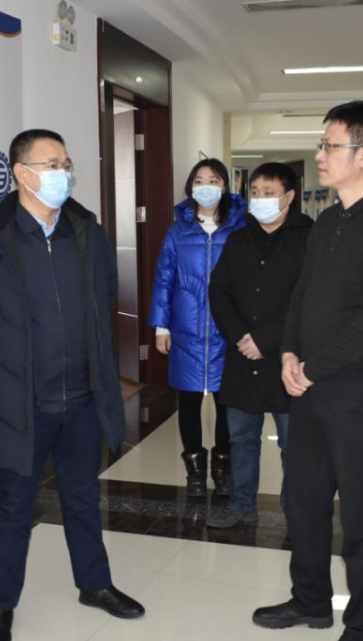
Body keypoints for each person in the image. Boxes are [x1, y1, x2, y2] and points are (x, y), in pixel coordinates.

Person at [0, 129, 145, 641]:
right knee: (14, 505)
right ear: (21, 173)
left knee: (83, 497)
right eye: (51, 163)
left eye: (66, 163)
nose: (63, 173)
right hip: (22, 403)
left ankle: (95, 584)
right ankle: (1, 605)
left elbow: (104, 295)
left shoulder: (86, 232)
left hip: (82, 398)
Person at [252, 101, 363, 641]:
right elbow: (301, 295)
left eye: (330, 145)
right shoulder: (327, 221)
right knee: (304, 500)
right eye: (322, 145)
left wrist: (312, 366)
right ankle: (310, 600)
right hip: (311, 387)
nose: (320, 154)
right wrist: (289, 353)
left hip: (361, 395)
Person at [206, 162, 312, 528]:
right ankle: (240, 505)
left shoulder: (309, 239)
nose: (260, 199)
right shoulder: (239, 238)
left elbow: (308, 300)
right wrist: (240, 336)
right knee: (241, 438)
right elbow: (218, 292)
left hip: (289, 358)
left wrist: (265, 339)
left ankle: (296, 513)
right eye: (254, 192)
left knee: (294, 444)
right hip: (242, 358)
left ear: (289, 196)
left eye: (269, 193)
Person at [150, 159, 247, 497]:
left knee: (226, 401)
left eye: (214, 180)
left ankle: (222, 468)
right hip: (186, 329)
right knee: (189, 401)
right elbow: (164, 279)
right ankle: (194, 472)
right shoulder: (177, 231)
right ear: (191, 187)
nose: (206, 186)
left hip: (226, 330)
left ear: (225, 186)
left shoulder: (240, 228)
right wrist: (161, 327)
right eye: (200, 180)